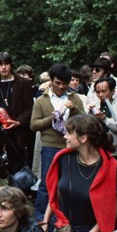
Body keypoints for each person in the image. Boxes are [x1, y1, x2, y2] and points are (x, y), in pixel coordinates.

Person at [31, 63, 85, 222]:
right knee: (47, 184)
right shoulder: (41, 100)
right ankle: (42, 220)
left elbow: (84, 121)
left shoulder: (74, 98)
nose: (61, 87)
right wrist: (52, 118)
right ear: (51, 81)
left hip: (72, 147)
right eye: (57, 83)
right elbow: (34, 125)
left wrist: (73, 109)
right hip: (50, 147)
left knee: (71, 184)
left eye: (64, 83)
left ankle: (68, 217)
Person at [0, 52, 34, 181]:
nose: (3, 67)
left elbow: (29, 109)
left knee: (16, 166)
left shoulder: (23, 83)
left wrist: (18, 122)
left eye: (6, 64)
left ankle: (17, 195)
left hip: (16, 130)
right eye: (0, 64)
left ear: (11, 65)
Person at [90, 77, 117, 162]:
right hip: (96, 148)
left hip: (114, 150)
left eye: (104, 91)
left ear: (112, 91)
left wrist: (106, 120)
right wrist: (90, 114)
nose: (100, 95)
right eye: (98, 92)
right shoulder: (93, 107)